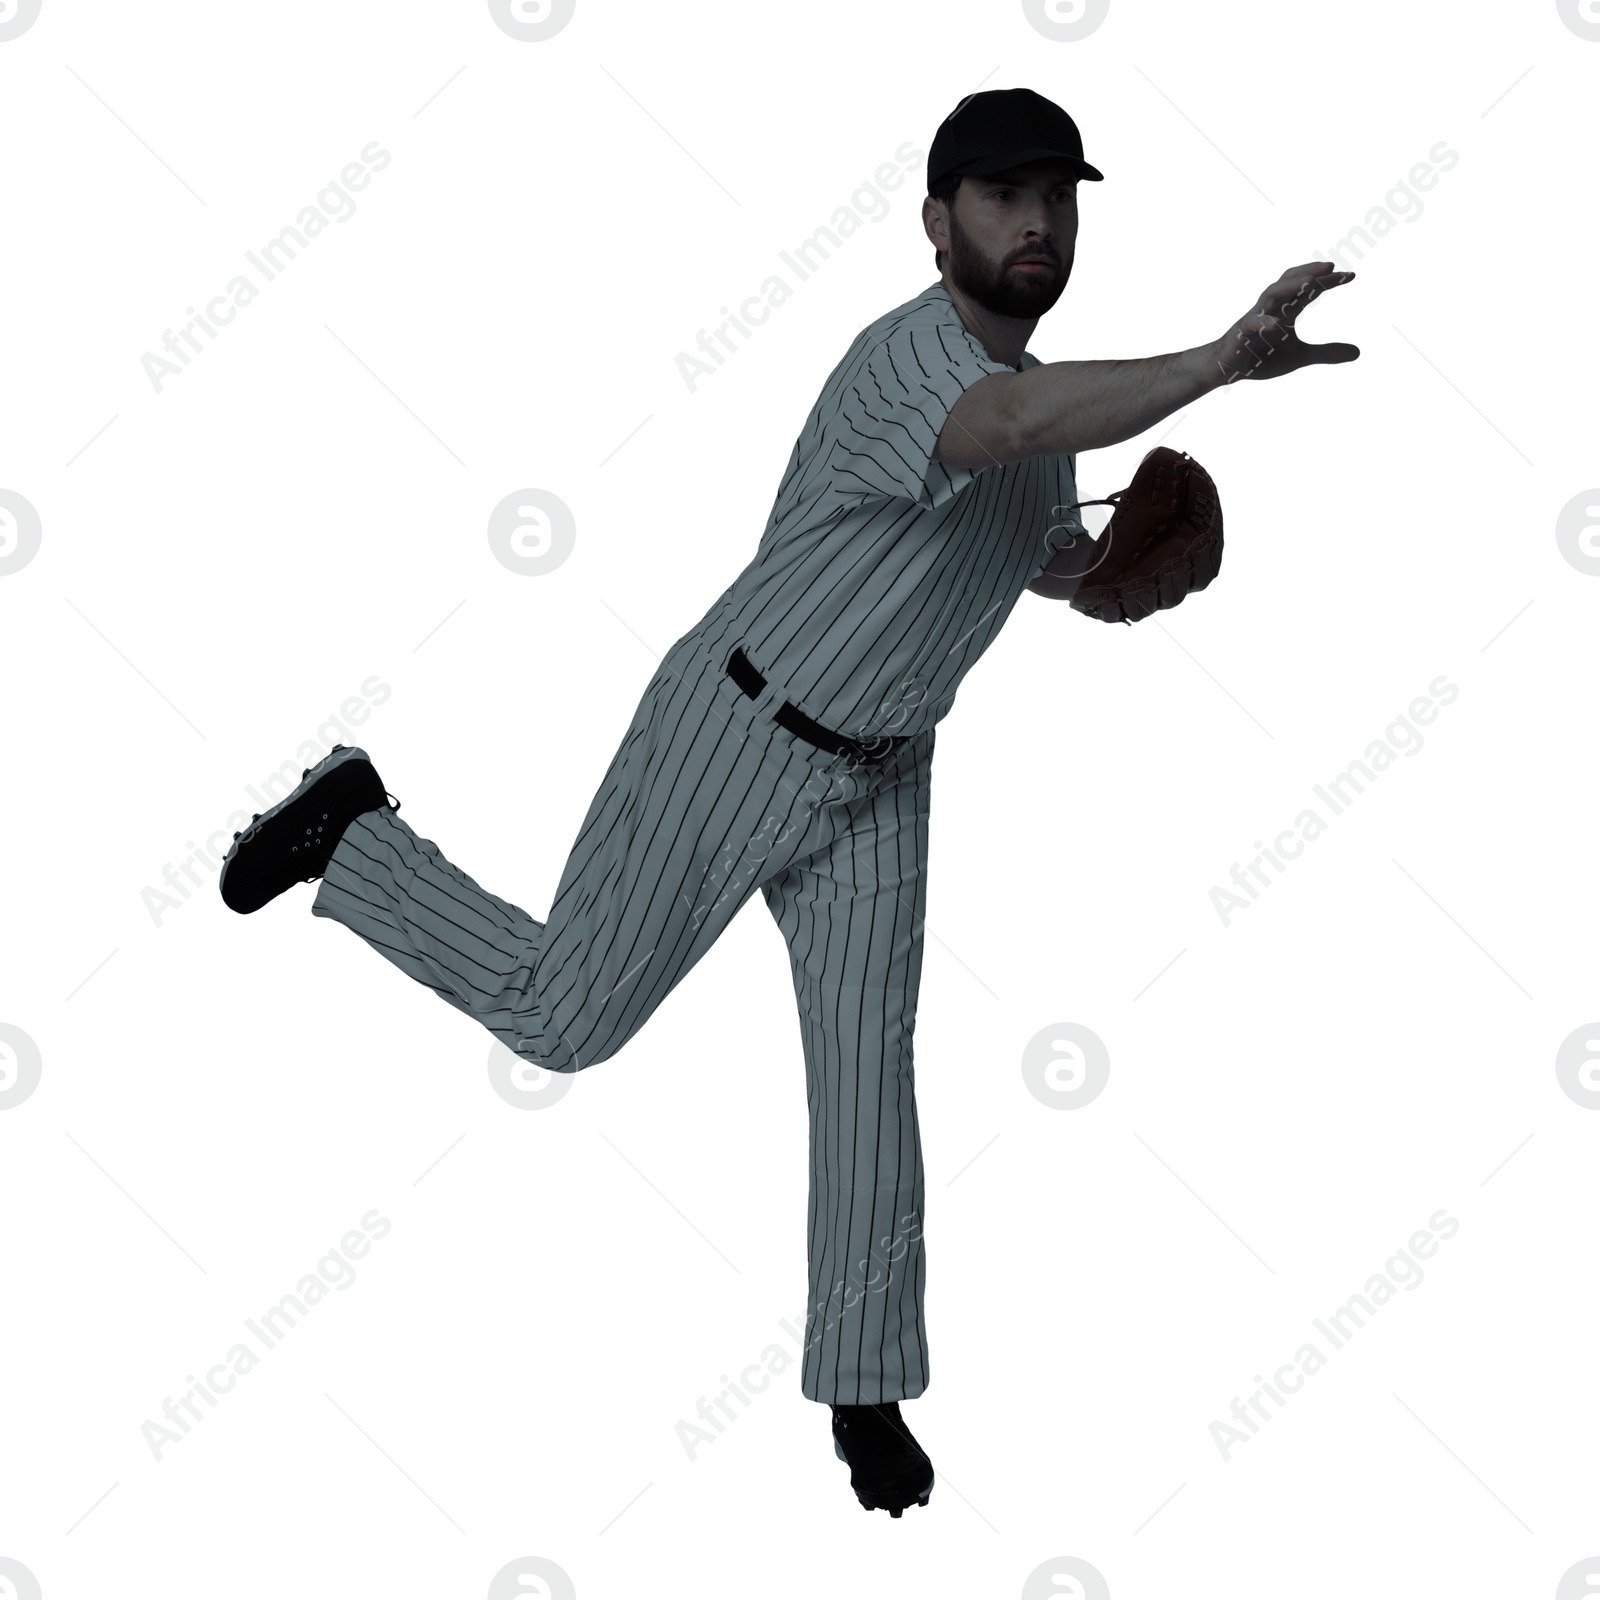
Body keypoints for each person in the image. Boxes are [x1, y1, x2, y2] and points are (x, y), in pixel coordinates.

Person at [218, 86, 1357, 1518]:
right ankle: (356, 833)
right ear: (938, 219)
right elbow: (998, 427)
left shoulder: (1052, 419)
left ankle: (864, 1393)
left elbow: (1039, 542)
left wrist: (1114, 578)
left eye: (1058, 196)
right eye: (1004, 197)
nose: (1037, 221)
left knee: (871, 1074)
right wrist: (1219, 360)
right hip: (741, 728)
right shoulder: (915, 363)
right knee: (567, 1020)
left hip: (885, 775)